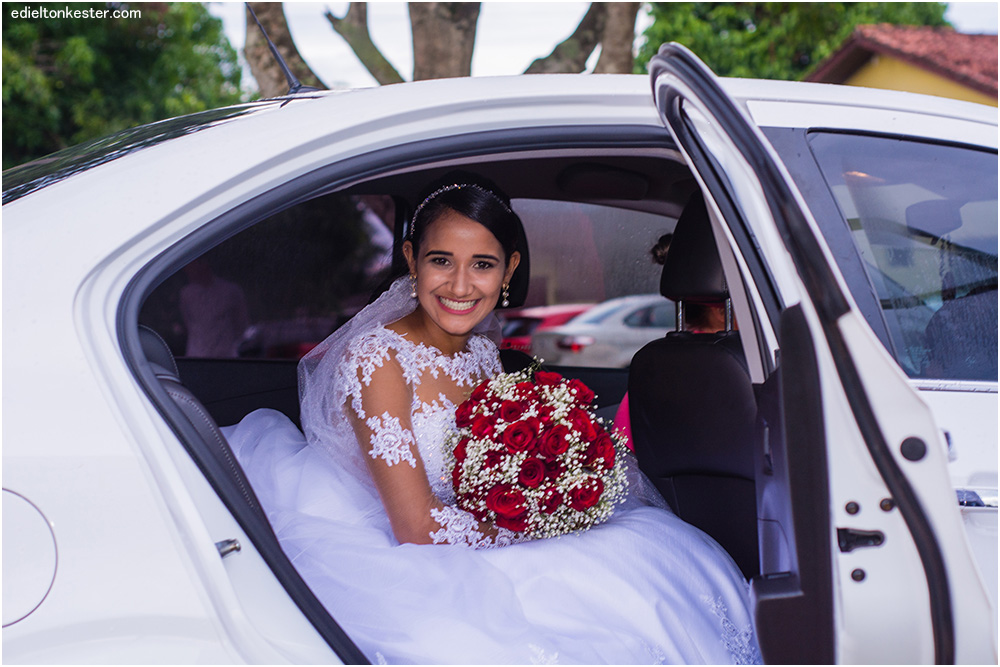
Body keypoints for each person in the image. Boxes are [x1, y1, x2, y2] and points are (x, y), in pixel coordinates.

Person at [224, 173, 760, 664]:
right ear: (411, 259)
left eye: (483, 264)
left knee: (651, 561)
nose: (460, 286)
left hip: (475, 528)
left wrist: (559, 488)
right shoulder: (378, 360)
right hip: (407, 543)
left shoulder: (481, 352)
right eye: (440, 261)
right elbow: (415, 527)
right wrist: (533, 526)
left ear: (510, 269)